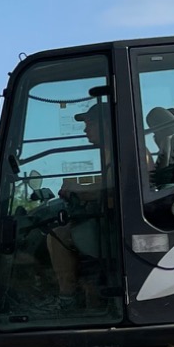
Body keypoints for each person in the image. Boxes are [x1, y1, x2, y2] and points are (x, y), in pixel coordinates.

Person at [46, 95, 113, 301]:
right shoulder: (114, 151)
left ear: (106, 124)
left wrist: (77, 188)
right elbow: (107, 183)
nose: (85, 130)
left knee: (57, 235)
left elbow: (111, 189)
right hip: (108, 221)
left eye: (90, 124)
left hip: (113, 227)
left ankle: (67, 296)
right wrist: (78, 187)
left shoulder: (125, 152)